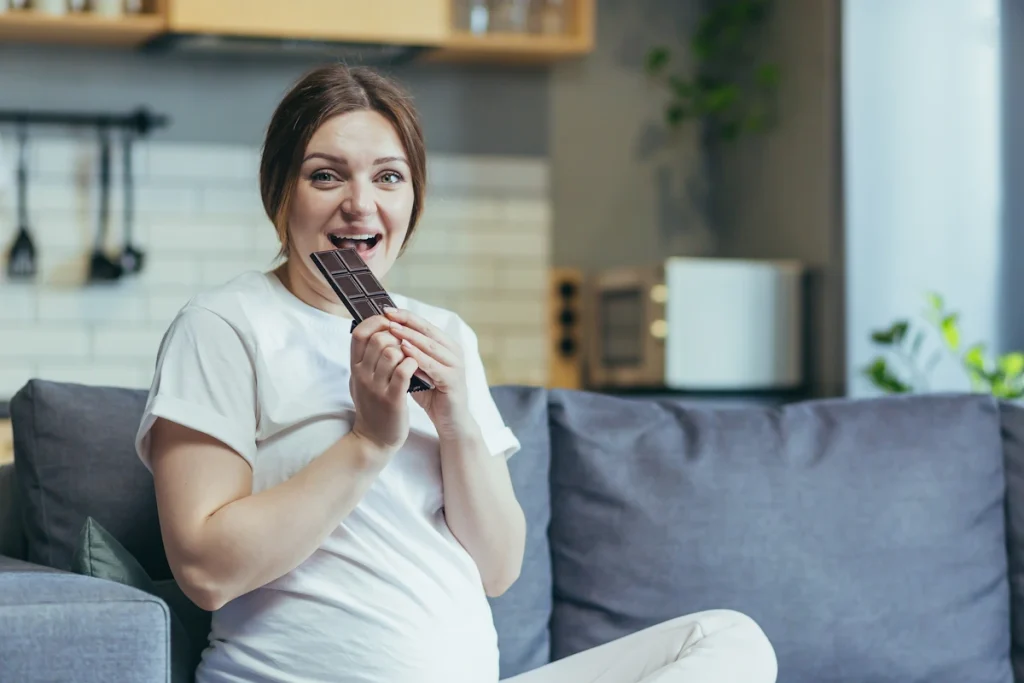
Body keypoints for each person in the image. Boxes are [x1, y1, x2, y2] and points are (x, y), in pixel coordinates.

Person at [134, 63, 778, 683]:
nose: (360, 205)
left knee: (726, 641)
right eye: (326, 176)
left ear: (413, 198)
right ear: (280, 192)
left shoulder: (443, 335)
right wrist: (369, 442)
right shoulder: (224, 325)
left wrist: (456, 417)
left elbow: (498, 569)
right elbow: (206, 570)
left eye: (389, 178)